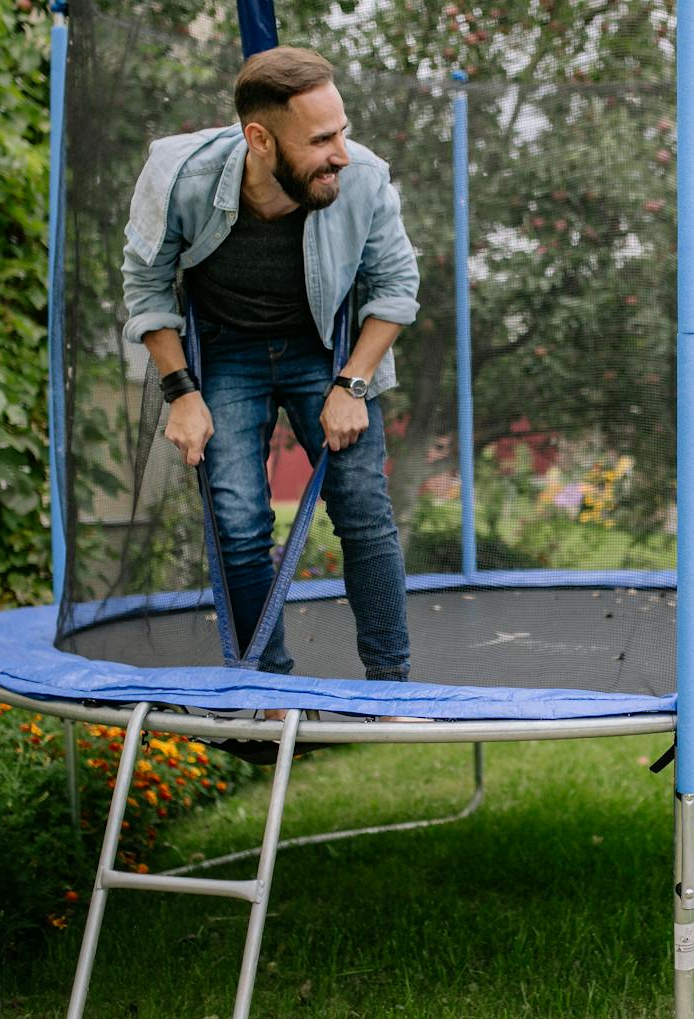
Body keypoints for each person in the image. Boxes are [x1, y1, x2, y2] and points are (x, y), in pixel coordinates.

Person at [121, 46, 418, 684]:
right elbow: (145, 290)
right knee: (237, 520)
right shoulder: (179, 176)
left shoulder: (361, 176)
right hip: (227, 351)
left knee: (363, 505)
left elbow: (396, 290)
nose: (341, 150)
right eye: (321, 139)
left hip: (327, 350)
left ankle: (391, 682)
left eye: (342, 129)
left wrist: (352, 385)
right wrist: (182, 393)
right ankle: (266, 687)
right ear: (259, 138)